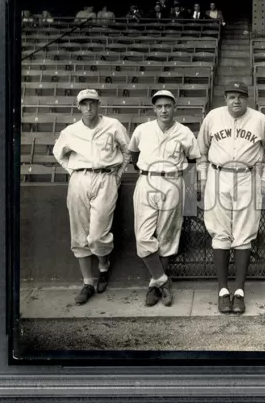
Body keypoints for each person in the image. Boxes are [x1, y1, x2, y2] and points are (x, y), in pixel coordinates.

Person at [197, 81, 265, 314]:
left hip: (248, 177)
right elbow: (201, 151)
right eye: (232, 96)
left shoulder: (260, 120)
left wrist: (264, 180)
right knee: (220, 232)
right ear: (225, 98)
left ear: (248, 98)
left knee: (244, 232)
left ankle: (240, 291)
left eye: (241, 96)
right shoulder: (213, 117)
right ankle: (223, 291)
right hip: (217, 175)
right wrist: (203, 179)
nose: (236, 101)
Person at [52, 89, 131, 305]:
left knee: (97, 235)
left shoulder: (113, 125)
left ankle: (103, 267)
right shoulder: (71, 131)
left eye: (92, 103)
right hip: (79, 179)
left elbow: (127, 152)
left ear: (98, 105)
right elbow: (58, 154)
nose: (89, 108)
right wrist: (73, 172)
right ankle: (87, 282)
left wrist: (118, 175)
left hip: (106, 178)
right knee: (79, 233)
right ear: (78, 106)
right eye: (84, 104)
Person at [128, 90, 201, 307]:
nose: (163, 110)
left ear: (174, 108)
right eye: (159, 106)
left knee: (167, 237)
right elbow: (133, 154)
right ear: (153, 109)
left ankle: (153, 285)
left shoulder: (184, 132)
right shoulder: (143, 130)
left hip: (173, 181)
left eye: (167, 106)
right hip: (147, 180)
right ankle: (163, 280)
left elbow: (193, 160)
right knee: (143, 237)